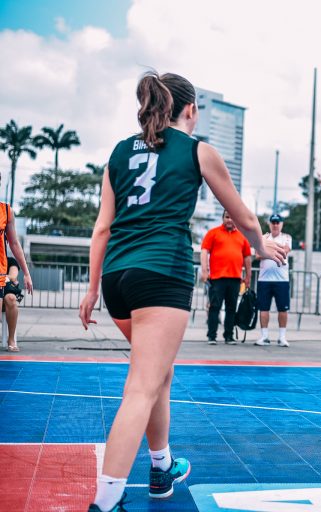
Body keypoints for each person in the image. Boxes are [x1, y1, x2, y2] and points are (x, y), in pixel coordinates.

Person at [78, 71, 286, 512]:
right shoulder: (197, 150)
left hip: (117, 276)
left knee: (159, 374)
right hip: (161, 274)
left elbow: (101, 229)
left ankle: (162, 466)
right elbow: (244, 215)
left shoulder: (119, 152)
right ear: (190, 109)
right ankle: (106, 500)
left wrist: (92, 289)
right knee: (141, 386)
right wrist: (261, 246)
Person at [200, 210, 252, 345]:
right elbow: (204, 251)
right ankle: (212, 336)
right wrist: (204, 271)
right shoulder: (213, 233)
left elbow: (247, 257)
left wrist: (248, 277)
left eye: (232, 217)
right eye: (227, 217)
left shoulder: (242, 236)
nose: (229, 220)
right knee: (214, 307)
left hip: (235, 279)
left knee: (231, 308)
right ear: (222, 218)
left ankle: (229, 336)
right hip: (217, 278)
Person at [253, 213, 293, 347]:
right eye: (273, 222)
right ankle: (264, 336)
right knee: (263, 308)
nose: (275, 225)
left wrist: (266, 250)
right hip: (264, 279)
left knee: (283, 309)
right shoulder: (263, 237)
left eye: (277, 222)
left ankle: (282, 337)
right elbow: (257, 255)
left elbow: (285, 251)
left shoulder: (286, 237)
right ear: (270, 224)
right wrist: (269, 250)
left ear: (281, 224)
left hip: (282, 280)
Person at [0, 197, 34, 352]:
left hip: (1, 274)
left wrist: (26, 273)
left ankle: (11, 338)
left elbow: (14, 243)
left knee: (10, 298)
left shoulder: (6, 211)